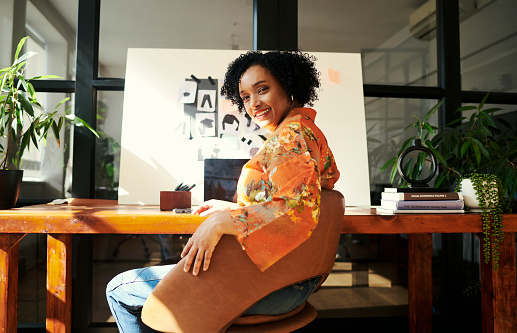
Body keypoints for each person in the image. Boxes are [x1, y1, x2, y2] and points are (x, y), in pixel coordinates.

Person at [106, 50, 340, 332]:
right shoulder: (306, 132)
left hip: (269, 283)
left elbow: (295, 212)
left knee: (120, 289)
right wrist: (232, 210)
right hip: (294, 278)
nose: (254, 103)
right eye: (245, 97)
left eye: (262, 90)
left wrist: (218, 223)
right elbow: (299, 202)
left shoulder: (288, 139)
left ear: (289, 86)